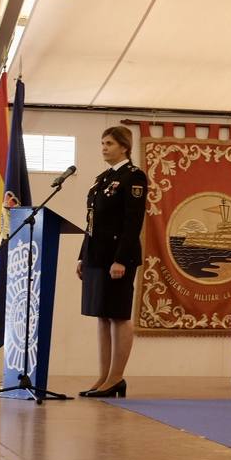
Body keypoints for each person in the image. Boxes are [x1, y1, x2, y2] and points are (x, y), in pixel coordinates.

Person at [76, 126, 147, 398]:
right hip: (97, 255)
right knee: (102, 316)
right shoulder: (103, 179)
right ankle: (103, 377)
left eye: (109, 143)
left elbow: (133, 223)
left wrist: (121, 260)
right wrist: (83, 255)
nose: (104, 147)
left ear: (124, 147)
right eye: (102, 143)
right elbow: (92, 222)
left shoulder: (133, 177)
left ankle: (116, 378)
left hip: (118, 258)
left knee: (118, 315)